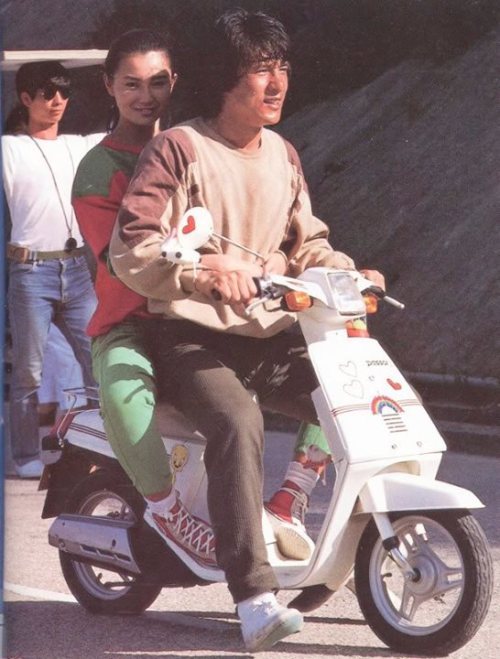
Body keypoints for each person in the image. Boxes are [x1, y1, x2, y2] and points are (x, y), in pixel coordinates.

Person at [109, 9, 384, 651]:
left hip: (266, 332)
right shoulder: (178, 147)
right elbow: (133, 245)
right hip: (187, 336)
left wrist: (348, 271)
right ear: (224, 78)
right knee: (238, 421)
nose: (277, 81)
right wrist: (202, 273)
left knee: (356, 384)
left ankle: (306, 513)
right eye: (260, 69)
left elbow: (307, 243)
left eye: (281, 66)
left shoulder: (283, 156)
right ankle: (255, 597)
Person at [2, 61, 103, 478]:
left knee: (99, 360)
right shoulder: (8, 148)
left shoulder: (79, 144)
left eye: (63, 92)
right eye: (47, 93)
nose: (57, 101)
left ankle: (105, 450)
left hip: (77, 268)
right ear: (25, 99)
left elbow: (137, 130)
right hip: (31, 271)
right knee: (29, 369)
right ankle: (25, 456)